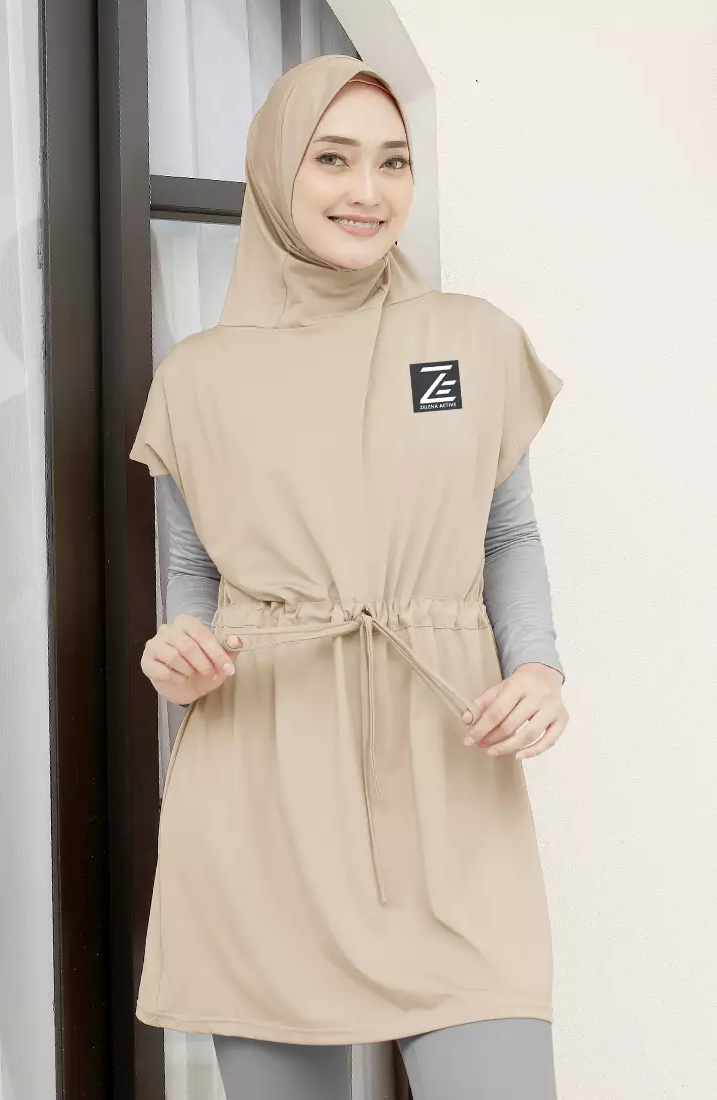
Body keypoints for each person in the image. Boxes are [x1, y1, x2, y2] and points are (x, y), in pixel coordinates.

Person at [130, 54, 569, 1100]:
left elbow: (506, 533)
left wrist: (539, 669)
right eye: (331, 159)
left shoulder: (469, 340)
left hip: (448, 778)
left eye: (393, 161)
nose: (367, 191)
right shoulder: (198, 376)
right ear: (276, 170)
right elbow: (193, 567)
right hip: (263, 788)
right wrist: (179, 651)